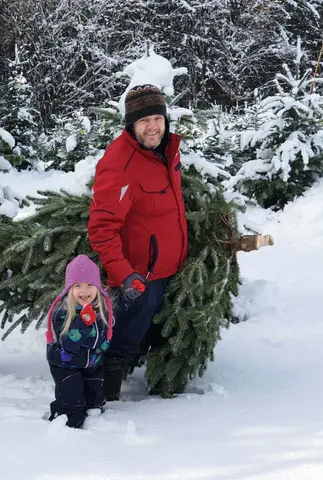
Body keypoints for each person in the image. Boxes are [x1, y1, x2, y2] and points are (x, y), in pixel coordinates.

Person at [87, 84, 189, 401]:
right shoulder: (120, 164)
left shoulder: (167, 150)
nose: (152, 127)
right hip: (140, 275)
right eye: (144, 121)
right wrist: (123, 274)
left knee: (154, 331)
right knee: (125, 339)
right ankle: (103, 395)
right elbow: (102, 228)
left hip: (168, 266)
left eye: (157, 118)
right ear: (131, 124)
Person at [45, 255, 114, 428]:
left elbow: (104, 333)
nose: (84, 291)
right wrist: (83, 322)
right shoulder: (62, 312)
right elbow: (69, 344)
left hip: (91, 363)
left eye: (90, 285)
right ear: (69, 288)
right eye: (78, 286)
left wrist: (103, 346)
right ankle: (63, 420)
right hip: (65, 365)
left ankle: (93, 420)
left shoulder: (101, 309)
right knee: (72, 403)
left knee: (95, 401)